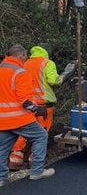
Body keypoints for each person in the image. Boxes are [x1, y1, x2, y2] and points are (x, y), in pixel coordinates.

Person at [9, 43, 75, 167]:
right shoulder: (47, 63)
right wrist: (64, 76)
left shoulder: (25, 63)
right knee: (41, 133)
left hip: (27, 105)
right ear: (47, 53)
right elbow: (53, 81)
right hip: (43, 106)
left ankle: (15, 158)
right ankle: (35, 160)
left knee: (24, 131)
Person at [0, 44, 55, 187]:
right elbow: (25, 100)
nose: (25, 59)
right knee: (41, 136)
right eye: (24, 57)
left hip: (2, 119)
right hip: (19, 118)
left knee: (3, 147)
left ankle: (1, 178)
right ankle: (37, 171)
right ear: (20, 56)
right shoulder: (19, 72)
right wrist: (37, 110)